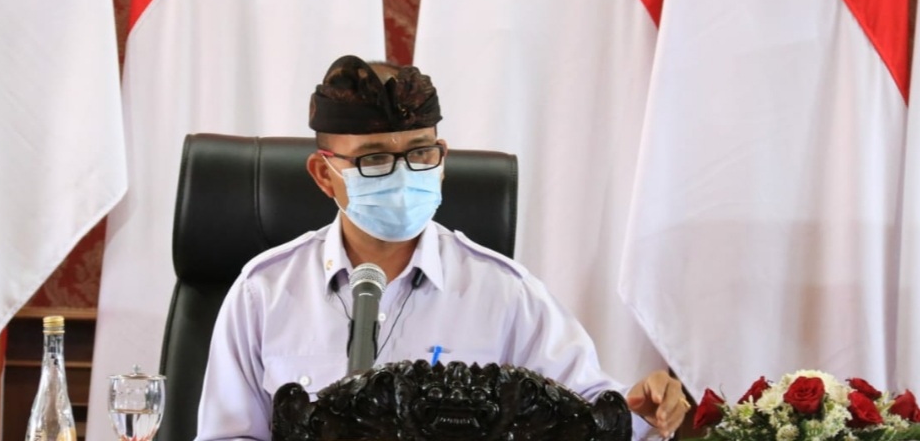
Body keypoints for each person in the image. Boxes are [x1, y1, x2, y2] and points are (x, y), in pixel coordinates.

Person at [195, 54, 689, 440]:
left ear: (442, 160)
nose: (402, 174)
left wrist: (643, 407)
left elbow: (588, 415)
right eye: (373, 159)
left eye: (420, 152)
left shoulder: (503, 292)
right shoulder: (264, 292)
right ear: (324, 175)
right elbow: (228, 435)